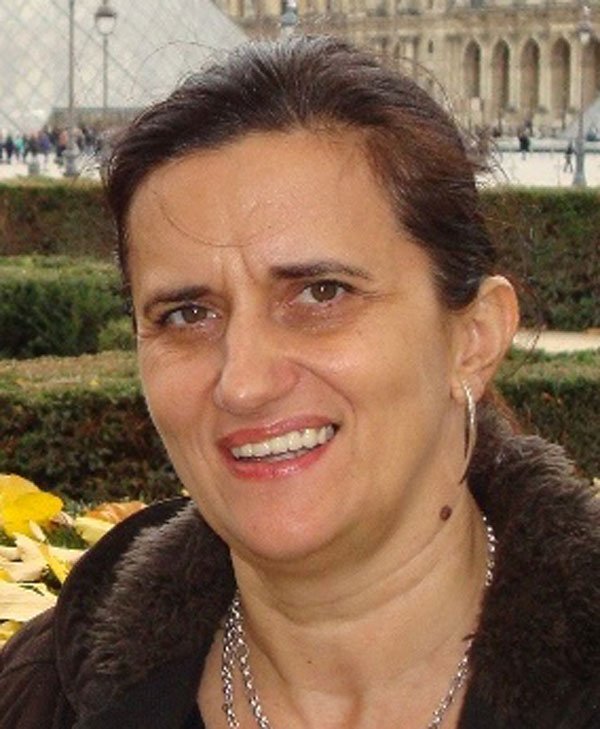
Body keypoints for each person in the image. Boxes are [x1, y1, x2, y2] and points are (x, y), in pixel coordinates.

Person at [0, 36, 598, 729]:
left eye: (322, 293)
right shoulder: (37, 696)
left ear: (475, 337)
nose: (244, 382)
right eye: (187, 313)